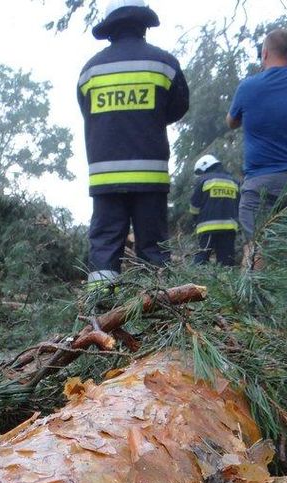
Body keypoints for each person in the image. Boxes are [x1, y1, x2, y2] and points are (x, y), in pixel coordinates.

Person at [78, 0, 189, 289]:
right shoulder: (163, 65)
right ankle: (160, 318)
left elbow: (86, 111)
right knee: (153, 251)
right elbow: (177, 108)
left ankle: (100, 317)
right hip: (150, 179)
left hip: (105, 180)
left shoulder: (90, 71)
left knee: (104, 249)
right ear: (143, 23)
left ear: (110, 28)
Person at [226, 28, 287, 312]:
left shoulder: (248, 87)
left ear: (264, 53)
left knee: (255, 244)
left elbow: (231, 121)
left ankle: (253, 308)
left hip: (260, 179)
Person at [188, 155, 239, 266]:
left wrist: (195, 219)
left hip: (207, 228)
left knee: (201, 259)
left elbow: (194, 205)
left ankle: (195, 281)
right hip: (229, 228)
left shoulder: (203, 180)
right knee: (227, 261)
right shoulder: (234, 181)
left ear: (204, 167)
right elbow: (238, 204)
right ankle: (227, 282)